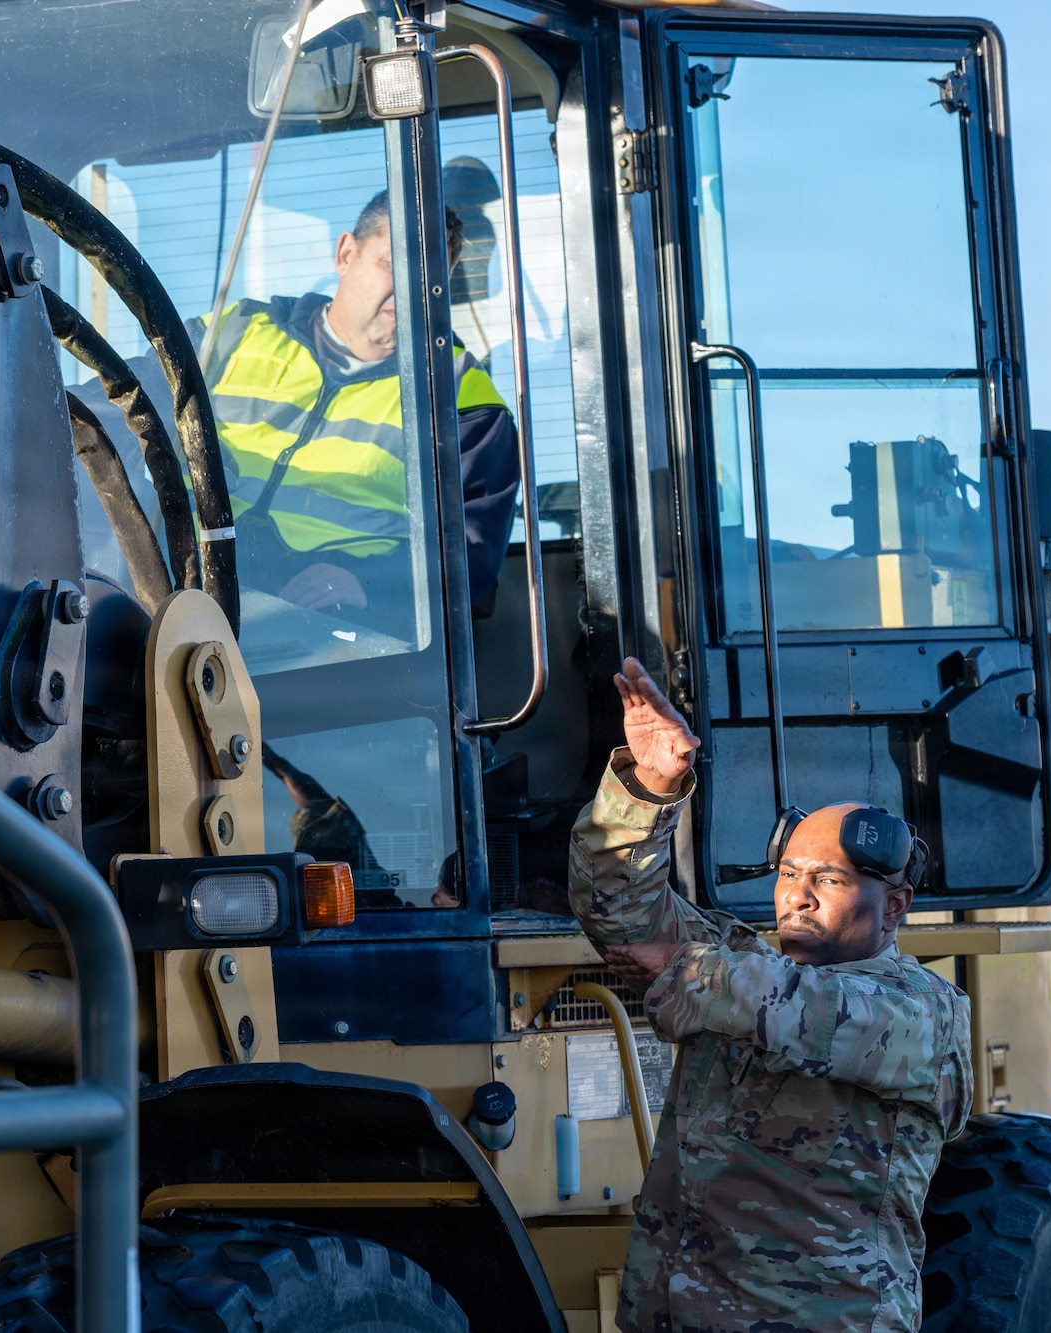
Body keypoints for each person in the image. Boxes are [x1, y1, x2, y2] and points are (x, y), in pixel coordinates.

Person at [570, 657, 972, 1333]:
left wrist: (689, 967)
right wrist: (650, 787)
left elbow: (805, 1011)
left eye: (832, 880)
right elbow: (616, 909)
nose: (798, 894)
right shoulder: (742, 965)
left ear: (895, 906)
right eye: (788, 872)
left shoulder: (921, 1013)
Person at [199, 191, 519, 630]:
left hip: (337, 634)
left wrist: (369, 582)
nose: (409, 290)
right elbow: (114, 407)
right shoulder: (231, 333)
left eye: (431, 279)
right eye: (393, 266)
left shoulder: (460, 394)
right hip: (184, 591)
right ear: (346, 254)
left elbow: (471, 550)